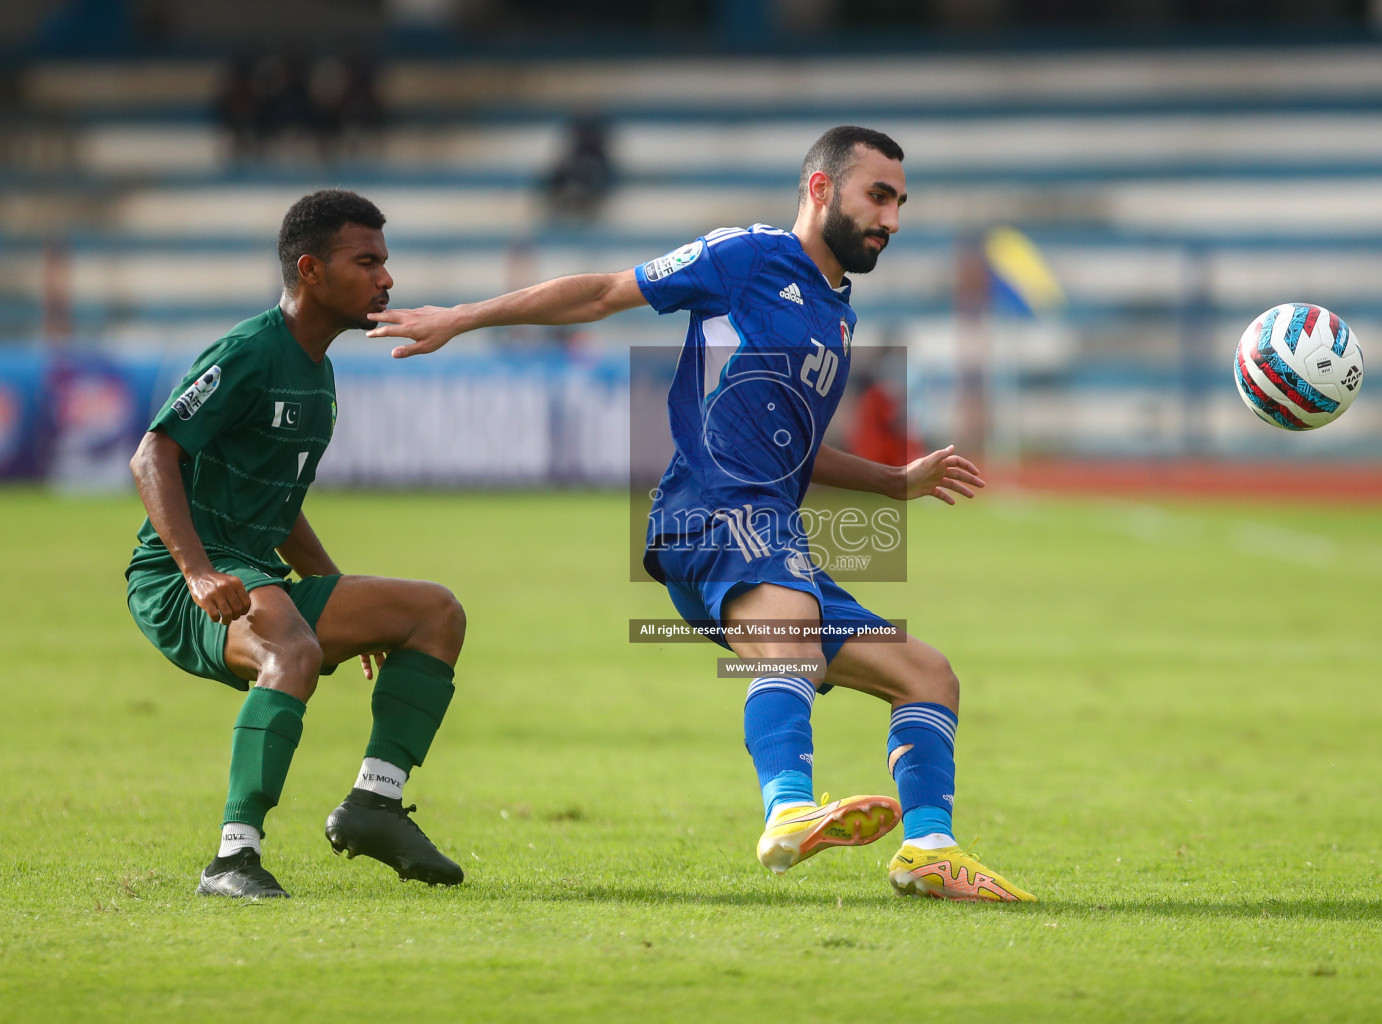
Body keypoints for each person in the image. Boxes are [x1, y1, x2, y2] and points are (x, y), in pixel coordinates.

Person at [367, 127, 1034, 902]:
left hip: (769, 530)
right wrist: (466, 317)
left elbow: (797, 448)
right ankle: (787, 809)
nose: (891, 217)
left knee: (926, 674)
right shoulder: (747, 257)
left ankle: (929, 850)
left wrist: (895, 482)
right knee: (787, 631)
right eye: (877, 195)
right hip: (708, 511)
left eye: (900, 202)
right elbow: (604, 291)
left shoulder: (838, 315)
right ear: (820, 190)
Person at [126, 189, 466, 899]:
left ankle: (374, 804)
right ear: (310, 270)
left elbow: (279, 509)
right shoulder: (250, 352)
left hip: (255, 571)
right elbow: (152, 454)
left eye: (385, 262)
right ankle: (232, 858)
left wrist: (346, 598)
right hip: (181, 578)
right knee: (292, 647)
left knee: (433, 613)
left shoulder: (319, 374)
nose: (386, 279)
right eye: (366, 261)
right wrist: (195, 571)